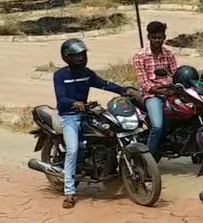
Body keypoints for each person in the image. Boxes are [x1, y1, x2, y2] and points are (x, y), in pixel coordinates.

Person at [53, 39, 134, 209]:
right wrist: (74, 103)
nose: (82, 58)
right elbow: (61, 98)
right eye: (77, 56)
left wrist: (125, 90)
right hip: (69, 117)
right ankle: (69, 193)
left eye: (83, 55)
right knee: (73, 149)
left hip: (86, 113)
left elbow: (104, 84)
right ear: (67, 57)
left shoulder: (87, 74)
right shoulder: (60, 76)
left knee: (109, 132)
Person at [132, 21, 178, 160]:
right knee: (157, 127)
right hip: (152, 95)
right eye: (154, 37)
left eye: (160, 37)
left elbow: (176, 74)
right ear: (149, 37)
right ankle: (148, 161)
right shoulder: (140, 56)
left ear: (164, 37)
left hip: (170, 92)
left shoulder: (169, 54)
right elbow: (143, 83)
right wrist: (160, 92)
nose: (157, 40)